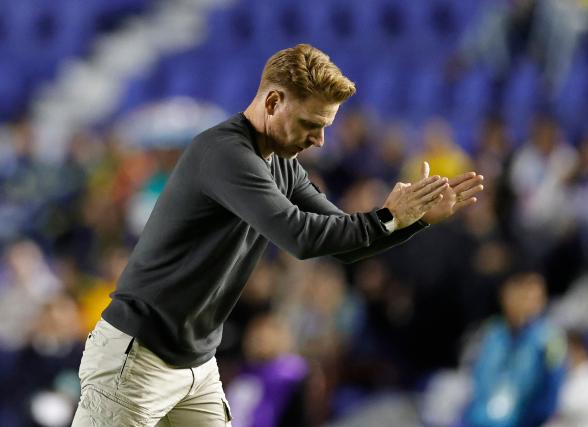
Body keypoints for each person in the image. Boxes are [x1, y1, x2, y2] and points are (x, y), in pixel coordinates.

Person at [71, 43, 484, 426]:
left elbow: (342, 242)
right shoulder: (225, 154)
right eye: (311, 124)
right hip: (138, 357)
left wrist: (416, 219)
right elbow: (301, 236)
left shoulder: (281, 164)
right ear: (273, 102)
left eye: (325, 127)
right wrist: (387, 216)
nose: (319, 140)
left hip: (194, 365)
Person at [462, 271, 567, 427]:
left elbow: (550, 396)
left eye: (536, 298)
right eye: (523, 296)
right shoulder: (491, 333)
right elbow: (474, 382)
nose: (529, 303)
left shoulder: (550, 340)